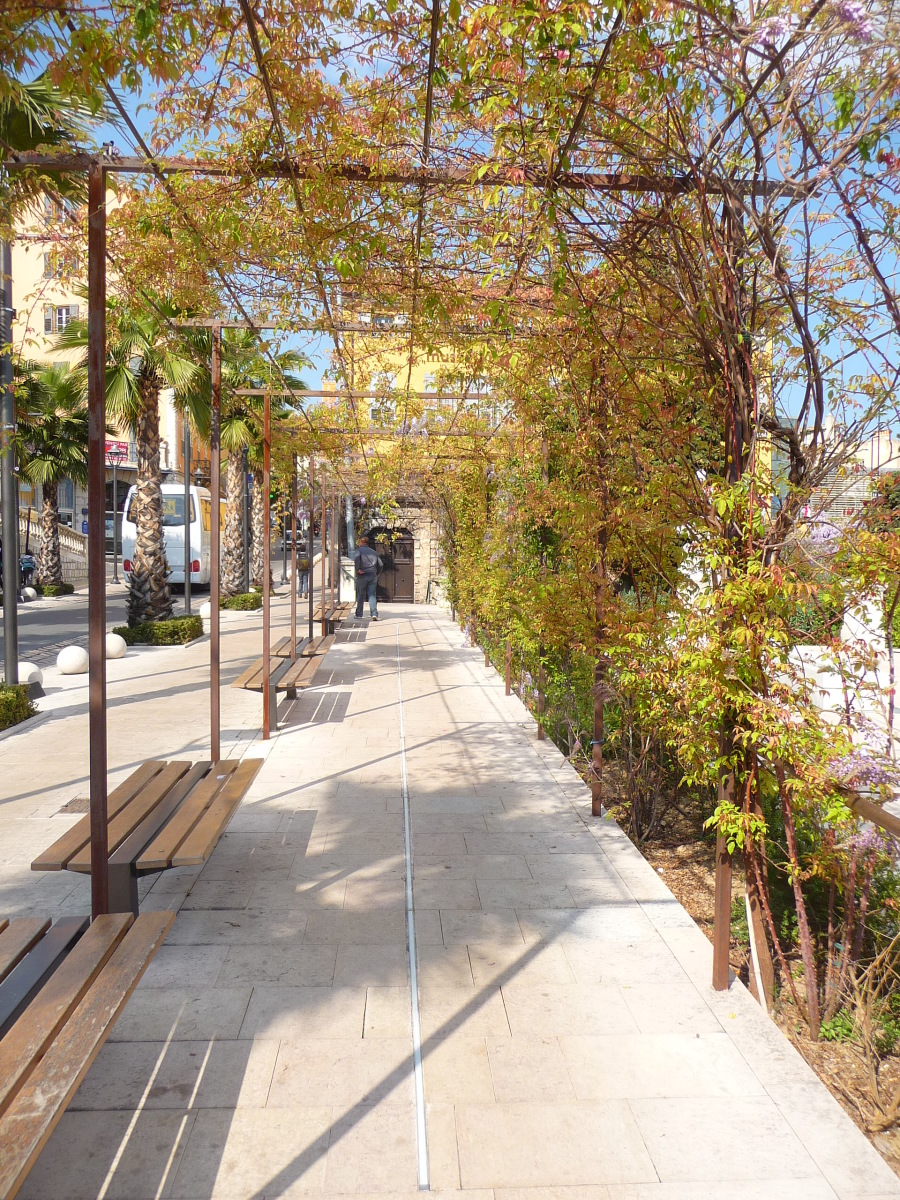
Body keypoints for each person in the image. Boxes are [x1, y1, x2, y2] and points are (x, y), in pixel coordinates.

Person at [354, 534, 382, 619]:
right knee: (372, 595)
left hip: (362, 575)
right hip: (373, 575)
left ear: (362, 542)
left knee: (360, 595)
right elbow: (381, 564)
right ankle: (374, 614)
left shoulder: (359, 551)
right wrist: (377, 572)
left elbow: (356, 560)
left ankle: (359, 614)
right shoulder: (374, 552)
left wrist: (358, 569)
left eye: (359, 542)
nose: (359, 544)